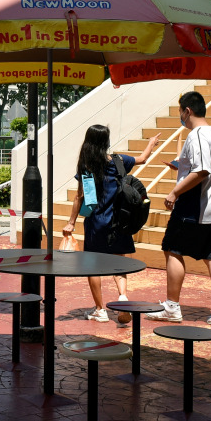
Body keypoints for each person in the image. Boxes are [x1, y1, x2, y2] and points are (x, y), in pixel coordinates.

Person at [146, 91, 211, 329]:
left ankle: (172, 307)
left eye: (180, 112)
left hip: (194, 205)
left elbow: (202, 170)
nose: (180, 117)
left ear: (187, 111)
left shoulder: (196, 136)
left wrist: (175, 192)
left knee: (173, 249)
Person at [63, 125, 159, 324]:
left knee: (92, 266)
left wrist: (71, 223)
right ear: (106, 142)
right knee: (119, 263)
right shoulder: (118, 161)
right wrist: (151, 144)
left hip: (96, 223)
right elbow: (142, 159)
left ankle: (100, 310)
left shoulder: (87, 166)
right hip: (119, 223)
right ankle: (123, 298)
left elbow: (80, 197)